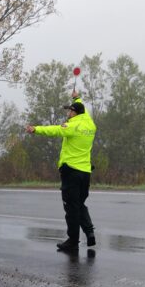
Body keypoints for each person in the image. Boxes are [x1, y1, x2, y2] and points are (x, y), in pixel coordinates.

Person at [25, 91, 97, 253]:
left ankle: (72, 241)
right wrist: (77, 98)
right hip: (85, 172)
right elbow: (83, 108)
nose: (68, 113)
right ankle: (89, 232)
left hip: (71, 171)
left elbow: (55, 130)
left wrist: (35, 129)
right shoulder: (90, 124)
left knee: (71, 208)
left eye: (70, 111)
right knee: (79, 204)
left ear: (75, 113)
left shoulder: (72, 126)